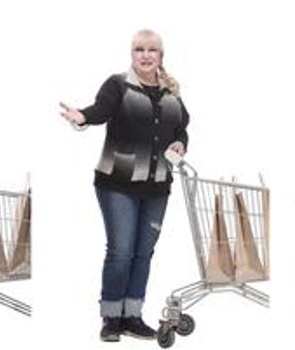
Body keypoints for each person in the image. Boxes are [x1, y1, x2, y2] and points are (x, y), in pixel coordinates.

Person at [55, 29, 189, 343]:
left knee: (143, 253)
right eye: (139, 49)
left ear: (160, 55)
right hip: (117, 183)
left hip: (157, 186)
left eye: (151, 50)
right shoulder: (118, 85)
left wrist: (181, 144)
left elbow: (182, 128)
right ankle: (111, 317)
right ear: (132, 55)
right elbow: (100, 111)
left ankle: (133, 315)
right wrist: (81, 117)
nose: (145, 55)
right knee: (121, 252)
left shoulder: (172, 92)